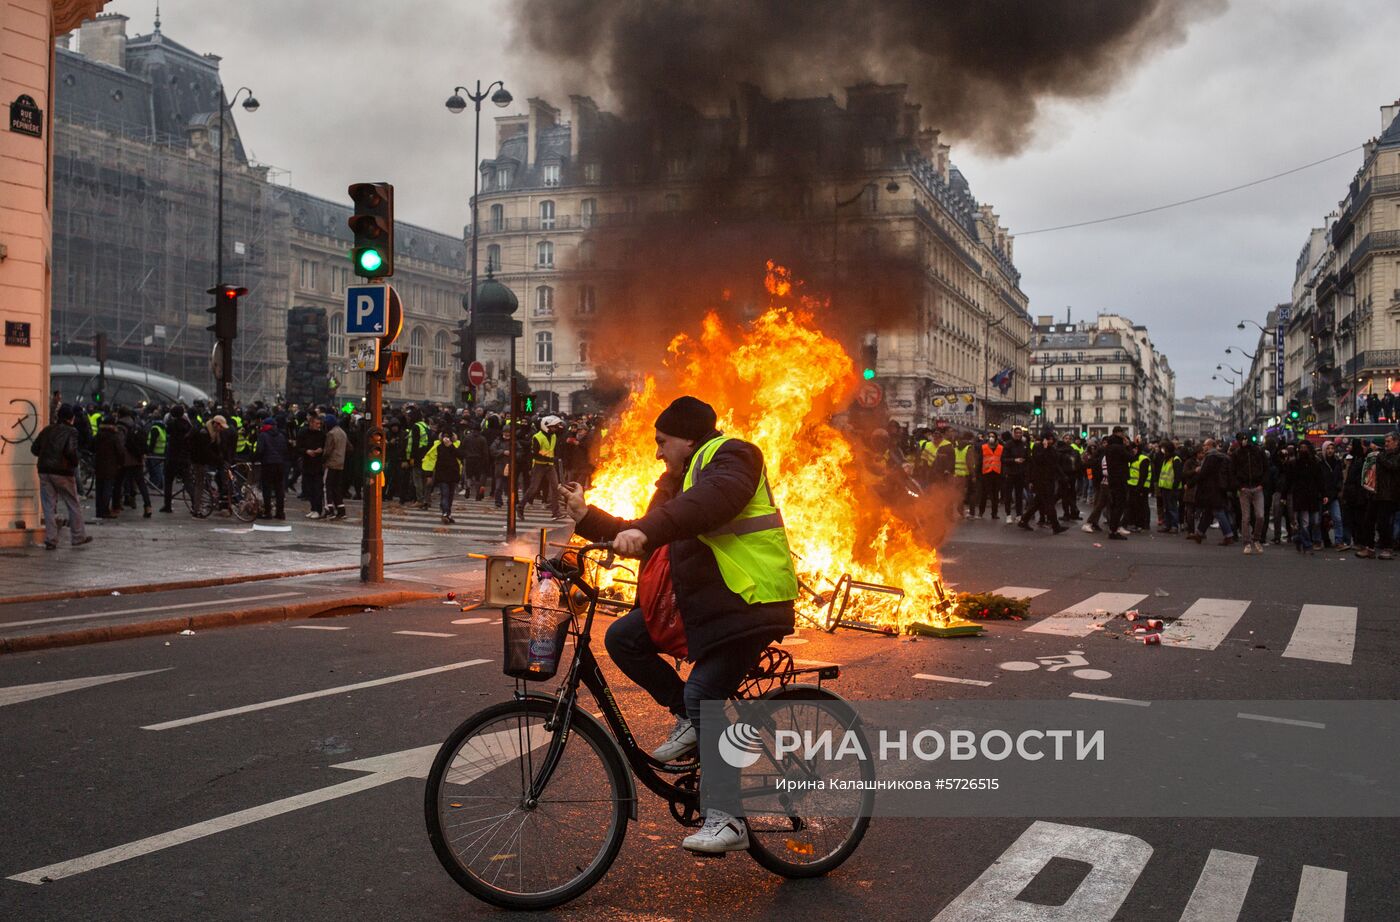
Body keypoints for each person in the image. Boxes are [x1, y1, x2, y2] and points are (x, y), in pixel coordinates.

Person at [559, 395, 797, 854]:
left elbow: (708, 504)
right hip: (710, 606)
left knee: (704, 692)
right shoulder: (675, 482)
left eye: (662, 441)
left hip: (750, 603)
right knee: (623, 637)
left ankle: (727, 817)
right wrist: (587, 518)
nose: (657, 451)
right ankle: (688, 718)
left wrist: (649, 529)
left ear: (689, 437)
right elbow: (647, 528)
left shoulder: (733, 455)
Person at [31, 404, 91, 549]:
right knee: (72, 502)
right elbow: (71, 451)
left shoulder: (47, 430)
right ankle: (78, 536)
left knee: (48, 505)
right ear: (72, 418)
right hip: (62, 472)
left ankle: (51, 539)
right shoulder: (72, 431)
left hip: (44, 470)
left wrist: (47, 456)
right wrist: (75, 463)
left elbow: (34, 449)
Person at [1018, 429, 1067, 534]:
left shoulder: (1052, 449)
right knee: (1049, 503)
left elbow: (1055, 464)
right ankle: (1056, 526)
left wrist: (1063, 476)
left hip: (1049, 479)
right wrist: (1044, 448)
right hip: (1040, 480)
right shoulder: (1037, 447)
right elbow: (1038, 461)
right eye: (1049, 439)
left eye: (1052, 439)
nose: (1051, 441)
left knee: (1038, 503)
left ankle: (1024, 520)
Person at [1189, 438, 1236, 545]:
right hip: (1218, 488)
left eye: (1205, 445)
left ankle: (1229, 535)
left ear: (1210, 446)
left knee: (1218, 511)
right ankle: (1199, 533)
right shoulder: (1221, 456)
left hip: (1212, 489)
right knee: (1208, 512)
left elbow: (1204, 473)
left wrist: (1191, 483)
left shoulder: (1211, 457)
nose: (1204, 448)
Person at [522, 415, 565, 519]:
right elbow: (535, 454)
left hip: (550, 466)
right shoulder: (537, 437)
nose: (555, 428)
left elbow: (553, 449)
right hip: (539, 465)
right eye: (554, 426)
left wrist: (554, 458)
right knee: (533, 488)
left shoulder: (554, 436)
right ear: (547, 426)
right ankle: (520, 507)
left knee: (555, 488)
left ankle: (556, 512)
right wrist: (550, 459)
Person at [189, 415, 229, 517]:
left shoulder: (215, 433)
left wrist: (220, 458)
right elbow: (205, 450)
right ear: (215, 424)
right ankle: (196, 510)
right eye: (221, 427)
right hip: (198, 461)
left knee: (203, 483)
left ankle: (200, 505)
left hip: (204, 461)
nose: (221, 429)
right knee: (200, 484)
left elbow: (215, 448)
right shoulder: (204, 433)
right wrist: (216, 459)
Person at [254, 416, 289, 520]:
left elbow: (260, 450)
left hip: (268, 465)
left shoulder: (263, 435)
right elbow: (285, 449)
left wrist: (254, 458)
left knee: (267, 489)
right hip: (280, 464)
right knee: (279, 489)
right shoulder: (281, 436)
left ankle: (267, 512)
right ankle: (280, 512)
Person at [424, 430, 462, 523]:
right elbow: (431, 460)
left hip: (452, 474)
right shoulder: (437, 447)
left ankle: (447, 514)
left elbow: (461, 456)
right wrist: (429, 474)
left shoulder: (455, 446)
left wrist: (451, 447)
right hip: (443, 475)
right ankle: (445, 513)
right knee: (445, 494)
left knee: (450, 496)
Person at [297, 415, 327, 518]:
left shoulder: (322, 434)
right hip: (307, 463)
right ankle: (313, 508)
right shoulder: (303, 433)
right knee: (309, 488)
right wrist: (306, 451)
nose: (318, 426)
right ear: (311, 423)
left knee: (317, 488)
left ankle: (318, 509)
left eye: (319, 424)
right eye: (316, 424)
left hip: (318, 464)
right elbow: (298, 447)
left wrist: (321, 450)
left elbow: (325, 446)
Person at [323, 414, 349, 520]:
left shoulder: (331, 433)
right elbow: (349, 447)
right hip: (340, 463)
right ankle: (341, 510)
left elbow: (328, 450)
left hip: (331, 463)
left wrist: (323, 460)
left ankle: (329, 509)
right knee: (337, 487)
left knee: (327, 486)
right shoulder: (343, 433)